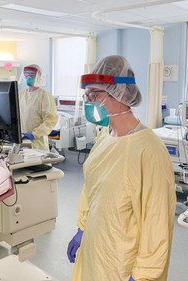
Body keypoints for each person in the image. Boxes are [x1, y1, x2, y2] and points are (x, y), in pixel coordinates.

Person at [66, 55, 176, 281]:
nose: (89, 102)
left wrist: (144, 275)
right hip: (95, 248)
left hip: (121, 264)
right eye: (87, 95)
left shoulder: (149, 151)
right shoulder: (104, 138)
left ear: (121, 94)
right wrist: (82, 228)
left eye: (95, 95)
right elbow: (92, 190)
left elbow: (157, 223)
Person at [19, 64, 58, 151]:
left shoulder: (45, 96)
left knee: (37, 163)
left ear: (38, 77)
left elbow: (50, 120)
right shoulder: (20, 95)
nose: (28, 77)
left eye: (32, 75)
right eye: (26, 74)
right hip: (21, 140)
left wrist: (34, 134)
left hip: (37, 143)